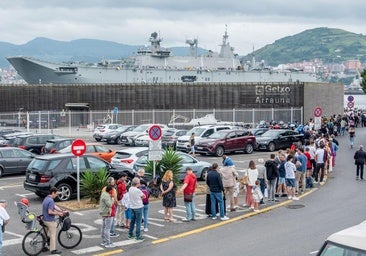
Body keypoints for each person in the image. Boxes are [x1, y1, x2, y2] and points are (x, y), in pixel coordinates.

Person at [42, 187, 66, 254]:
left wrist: (61, 211)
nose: (56, 196)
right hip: (50, 221)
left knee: (45, 234)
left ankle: (43, 247)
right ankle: (53, 250)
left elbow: (54, 206)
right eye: (56, 194)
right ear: (53, 193)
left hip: (44, 220)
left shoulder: (46, 198)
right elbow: (50, 211)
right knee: (52, 235)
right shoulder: (51, 200)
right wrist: (58, 213)